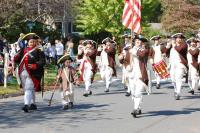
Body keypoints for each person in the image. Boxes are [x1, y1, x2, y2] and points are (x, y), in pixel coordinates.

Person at [14, 33, 46, 112]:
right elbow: (16, 60)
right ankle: (33, 104)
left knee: (28, 88)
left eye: (34, 42)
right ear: (28, 42)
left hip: (34, 73)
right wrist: (16, 56)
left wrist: (35, 65)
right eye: (31, 42)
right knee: (28, 89)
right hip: (23, 72)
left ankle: (26, 105)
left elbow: (43, 61)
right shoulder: (23, 50)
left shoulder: (39, 51)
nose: (33, 43)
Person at [129, 35, 149, 118]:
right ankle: (138, 107)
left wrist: (132, 52)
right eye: (137, 40)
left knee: (138, 92)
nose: (138, 41)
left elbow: (141, 55)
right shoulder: (130, 49)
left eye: (140, 41)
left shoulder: (144, 50)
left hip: (141, 73)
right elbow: (126, 59)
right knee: (133, 92)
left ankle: (135, 108)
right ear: (134, 41)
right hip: (132, 73)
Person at [169, 33, 188, 100]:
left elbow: (179, 49)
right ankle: (176, 90)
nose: (179, 39)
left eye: (180, 38)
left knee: (178, 78)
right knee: (173, 79)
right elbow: (167, 54)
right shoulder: (172, 47)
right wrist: (168, 46)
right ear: (175, 39)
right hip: (173, 64)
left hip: (180, 64)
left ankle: (178, 93)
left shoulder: (184, 45)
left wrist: (174, 45)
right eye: (177, 38)